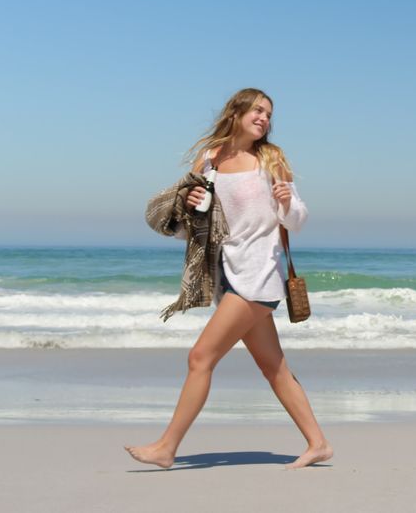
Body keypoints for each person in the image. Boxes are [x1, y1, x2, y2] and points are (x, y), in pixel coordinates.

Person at [127, 88, 333, 470]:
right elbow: (191, 227)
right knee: (274, 368)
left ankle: (167, 447)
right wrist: (189, 205)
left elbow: (297, 220)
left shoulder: (270, 159)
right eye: (257, 110)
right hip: (227, 274)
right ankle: (318, 443)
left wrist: (287, 201)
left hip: (259, 275)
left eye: (269, 114)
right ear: (236, 111)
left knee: (200, 357)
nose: (264, 118)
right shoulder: (210, 160)